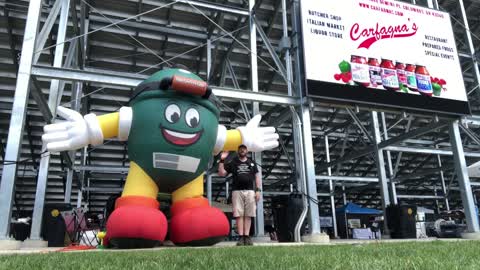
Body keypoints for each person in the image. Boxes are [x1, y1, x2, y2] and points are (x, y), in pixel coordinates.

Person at [218, 145, 261, 246]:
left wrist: (258, 190)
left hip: (250, 191)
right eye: (240, 149)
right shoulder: (233, 162)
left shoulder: (252, 163)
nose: (242, 150)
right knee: (239, 215)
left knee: (249, 214)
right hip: (237, 191)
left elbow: (257, 177)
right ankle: (241, 238)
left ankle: (247, 237)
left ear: (247, 151)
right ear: (238, 151)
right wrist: (222, 160)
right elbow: (221, 173)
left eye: (244, 149)